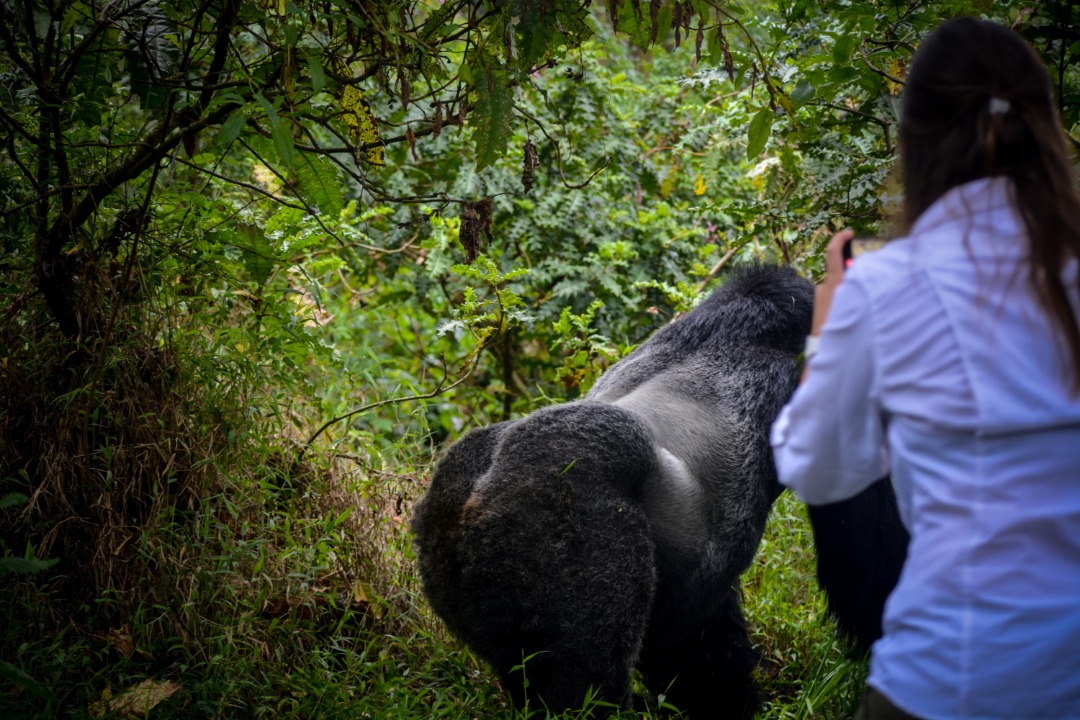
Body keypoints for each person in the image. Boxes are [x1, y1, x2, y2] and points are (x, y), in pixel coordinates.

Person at [770, 16, 1080, 720]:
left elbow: (819, 470)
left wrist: (826, 326)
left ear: (916, 144)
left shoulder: (885, 287)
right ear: (1047, 133)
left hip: (954, 675)